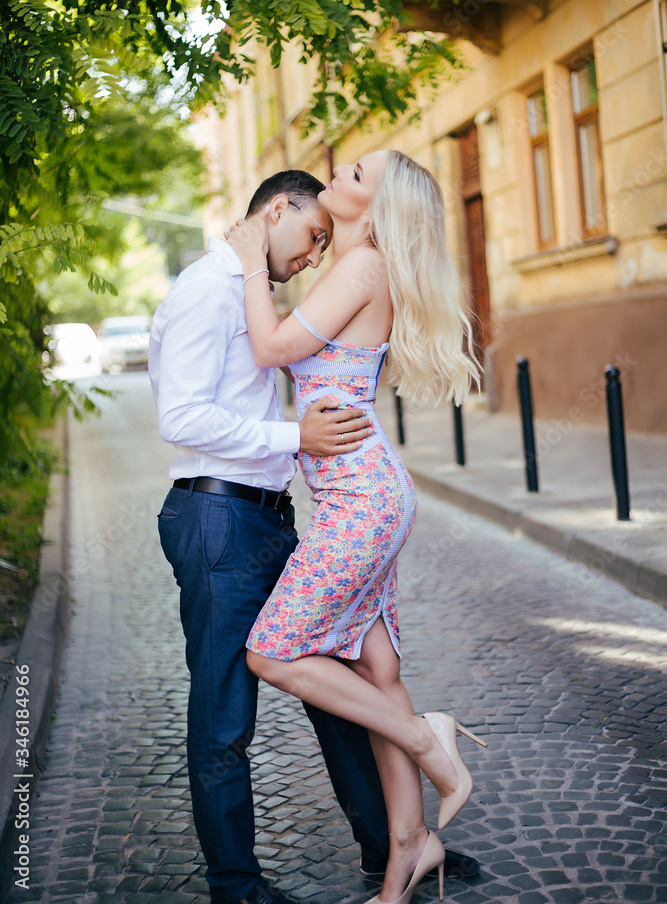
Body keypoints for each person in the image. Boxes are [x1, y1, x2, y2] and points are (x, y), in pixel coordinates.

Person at [149, 168, 480, 904]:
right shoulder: (211, 288)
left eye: (321, 244)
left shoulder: (297, 277)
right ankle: (240, 887)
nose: (308, 257)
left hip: (282, 513)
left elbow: (287, 351)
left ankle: (393, 844)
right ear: (275, 211)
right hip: (218, 517)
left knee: (339, 686)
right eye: (307, 239)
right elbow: (183, 419)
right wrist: (291, 432)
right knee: (228, 714)